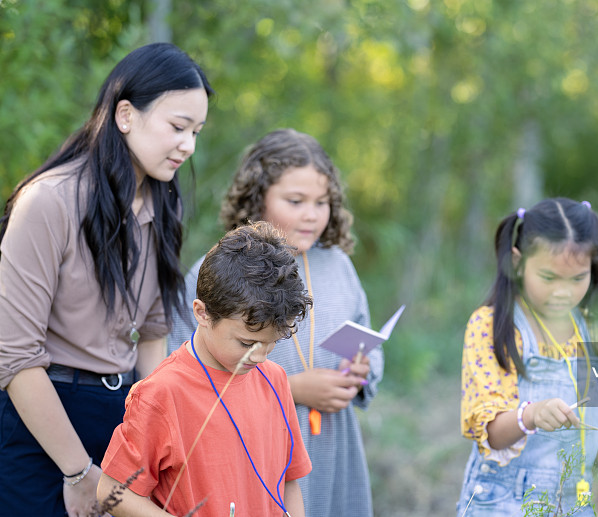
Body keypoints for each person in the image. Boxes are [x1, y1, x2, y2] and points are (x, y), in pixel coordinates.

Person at [0, 42, 212, 517]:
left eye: (196, 131)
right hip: (44, 427)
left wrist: (160, 436)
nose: (189, 145)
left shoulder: (162, 204)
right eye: (178, 127)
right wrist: (78, 472)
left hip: (121, 421)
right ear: (125, 115)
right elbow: (13, 357)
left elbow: (153, 334)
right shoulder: (47, 202)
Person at [168, 128, 382, 516]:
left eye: (322, 202)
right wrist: (293, 390)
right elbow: (185, 375)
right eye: (295, 200)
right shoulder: (218, 271)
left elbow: (365, 337)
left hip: (334, 444)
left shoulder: (339, 267)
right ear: (257, 198)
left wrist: (362, 370)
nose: (311, 214)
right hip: (255, 444)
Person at [98, 221, 313, 516]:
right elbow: (111, 492)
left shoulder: (275, 379)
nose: (260, 357)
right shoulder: (160, 393)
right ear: (202, 313)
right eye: (247, 342)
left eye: (271, 343)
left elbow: (289, 482)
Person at [457, 198, 598, 517]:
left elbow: (586, 432)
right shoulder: (492, 328)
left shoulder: (587, 334)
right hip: (504, 502)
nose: (563, 292)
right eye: (548, 278)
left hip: (573, 503)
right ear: (517, 263)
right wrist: (531, 415)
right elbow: (491, 434)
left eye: (577, 279)